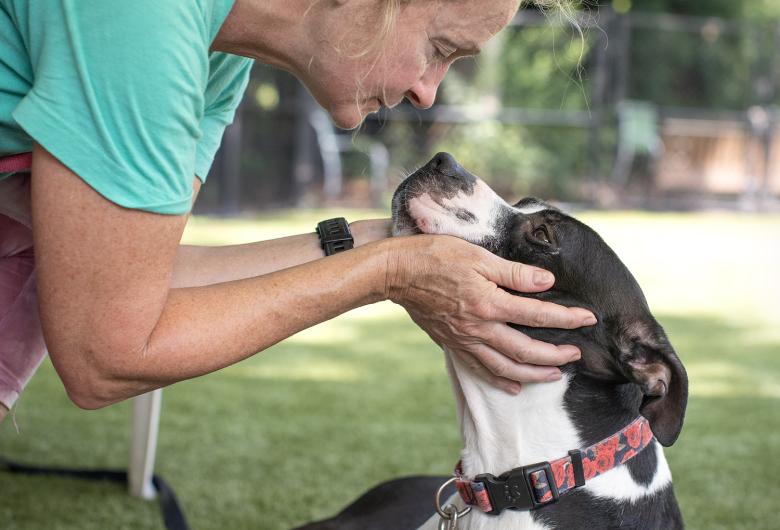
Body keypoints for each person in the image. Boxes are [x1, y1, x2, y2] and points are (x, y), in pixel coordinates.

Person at [0, 0, 595, 423]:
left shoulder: (219, 54)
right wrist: (387, 274)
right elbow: (104, 355)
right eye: (438, 50)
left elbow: (123, 279)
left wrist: (380, 244)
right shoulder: (148, 24)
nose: (427, 91)